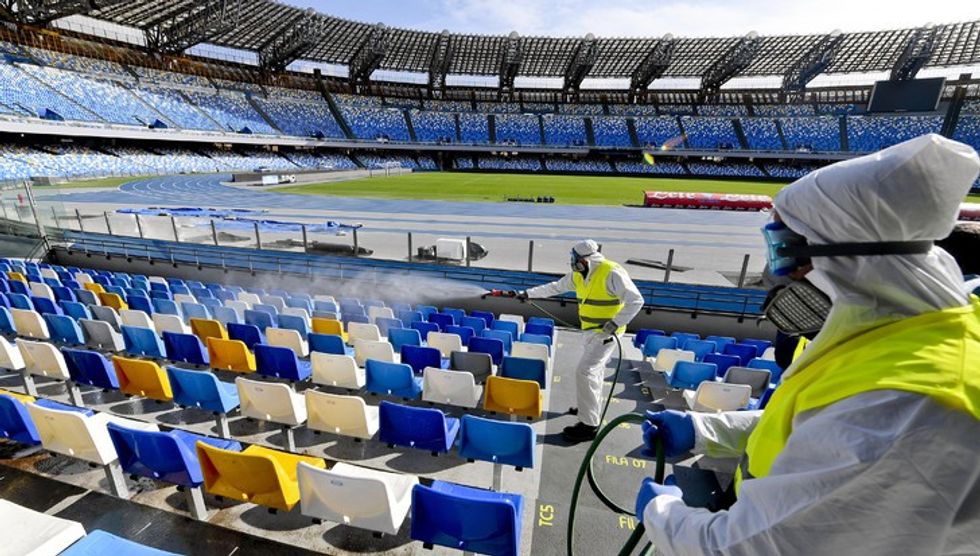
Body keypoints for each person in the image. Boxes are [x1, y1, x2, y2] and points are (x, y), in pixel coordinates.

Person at [634, 134, 980, 555]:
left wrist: (662, 512)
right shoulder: (900, 338)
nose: (774, 275)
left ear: (846, 257)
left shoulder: (909, 406)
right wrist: (706, 429)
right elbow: (820, 430)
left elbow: (747, 550)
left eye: (782, 251)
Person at [511, 239, 643, 442]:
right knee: (594, 372)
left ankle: (589, 426)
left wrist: (615, 323)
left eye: (575, 258)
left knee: (585, 371)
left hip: (607, 335)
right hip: (590, 332)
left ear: (586, 259)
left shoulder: (612, 272)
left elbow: (636, 300)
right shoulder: (579, 276)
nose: (572, 262)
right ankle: (587, 408)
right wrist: (528, 294)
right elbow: (556, 287)